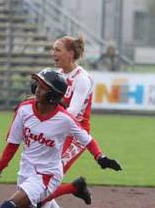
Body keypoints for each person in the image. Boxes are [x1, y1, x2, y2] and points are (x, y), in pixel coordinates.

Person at [0, 68, 122, 208]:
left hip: (47, 175)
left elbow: (87, 139)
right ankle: (75, 187)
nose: (37, 90)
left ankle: (74, 188)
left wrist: (100, 158)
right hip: (25, 172)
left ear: (53, 95)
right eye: (37, 85)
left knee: (9, 206)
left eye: (43, 88)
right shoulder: (24, 110)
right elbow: (12, 145)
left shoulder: (65, 119)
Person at [38, 35, 117, 208]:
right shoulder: (58, 75)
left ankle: (75, 187)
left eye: (57, 50)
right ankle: (75, 187)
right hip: (57, 133)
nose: (53, 53)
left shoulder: (82, 79)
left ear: (70, 53)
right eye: (53, 50)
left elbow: (72, 112)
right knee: (40, 188)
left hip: (75, 136)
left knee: (39, 193)